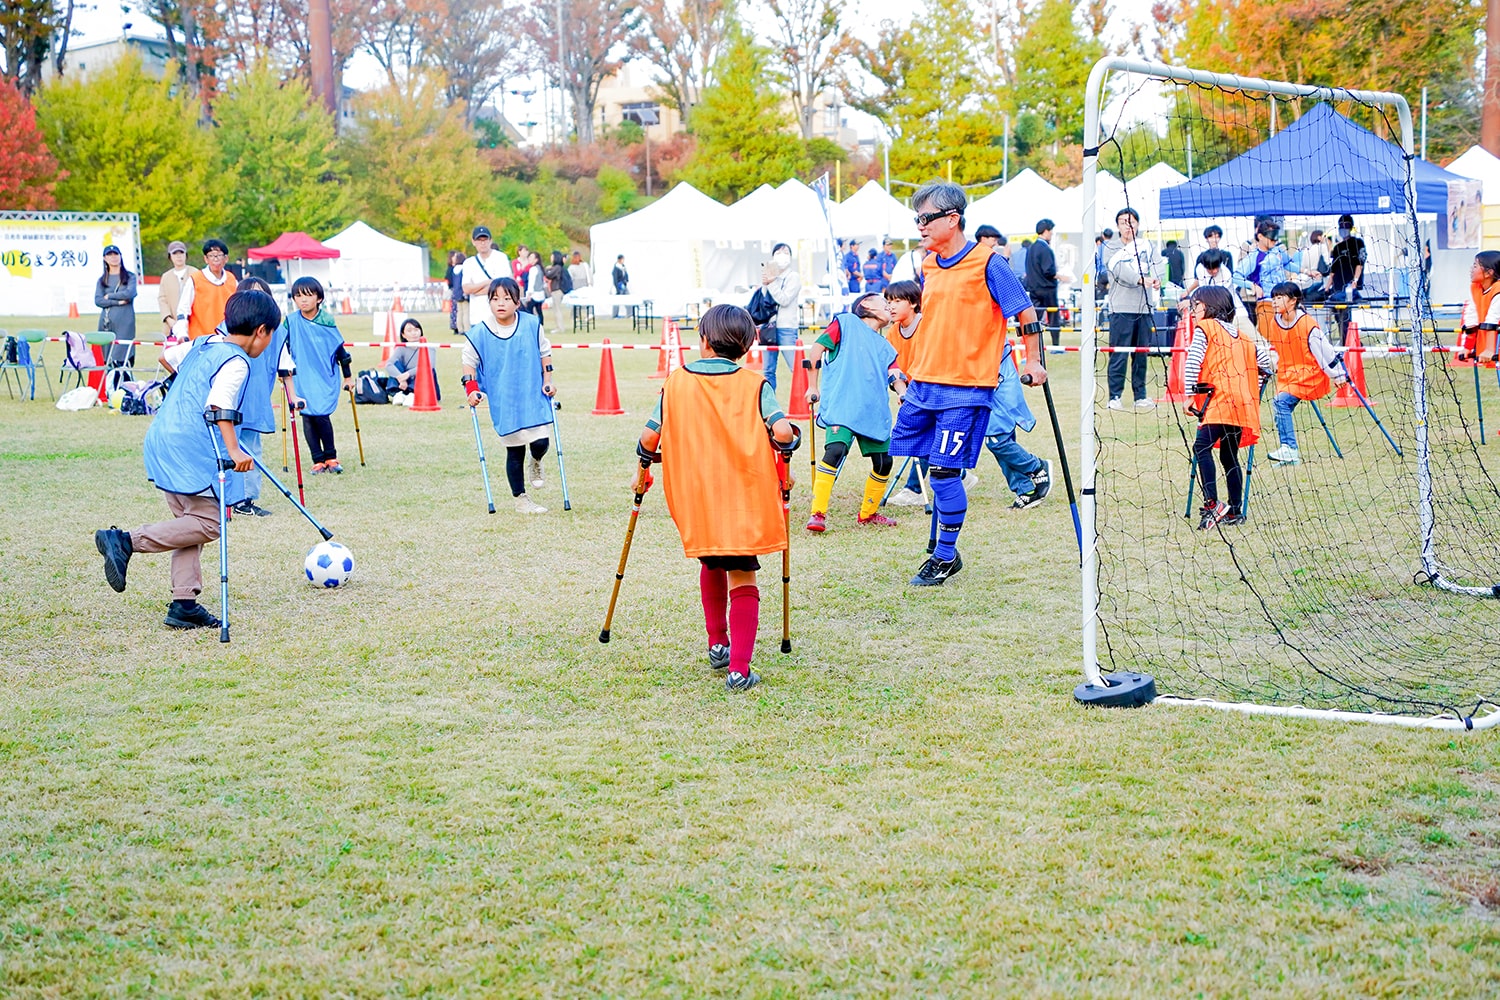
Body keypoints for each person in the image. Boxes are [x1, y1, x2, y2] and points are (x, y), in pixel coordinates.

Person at [94, 289, 281, 630]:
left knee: (189, 524)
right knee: (210, 523)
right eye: (271, 337)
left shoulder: (203, 343)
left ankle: (184, 603)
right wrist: (236, 451)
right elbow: (219, 405)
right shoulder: (236, 360)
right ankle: (124, 541)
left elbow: (168, 357)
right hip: (188, 447)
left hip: (161, 435)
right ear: (262, 331)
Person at [636, 303, 799, 692]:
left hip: (699, 499)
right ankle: (739, 669)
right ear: (745, 346)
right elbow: (781, 433)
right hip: (743, 498)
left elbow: (648, 439)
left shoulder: (675, 382)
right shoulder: (756, 384)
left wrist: (643, 465)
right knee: (742, 573)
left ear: (704, 341)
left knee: (711, 562)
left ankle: (716, 643)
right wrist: (788, 436)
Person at [892, 181, 1045, 586]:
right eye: (917, 219)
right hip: (925, 383)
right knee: (924, 463)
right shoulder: (926, 265)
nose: (919, 226)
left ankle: (945, 557)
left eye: (925, 218)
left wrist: (1033, 360)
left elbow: (1025, 312)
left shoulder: (989, 262)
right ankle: (936, 541)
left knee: (944, 472)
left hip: (966, 387)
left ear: (952, 218)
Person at [804, 292, 899, 532]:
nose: (889, 307)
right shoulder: (845, 323)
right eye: (884, 303)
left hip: (872, 410)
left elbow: (895, 373)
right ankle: (818, 513)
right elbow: (816, 350)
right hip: (843, 405)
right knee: (835, 451)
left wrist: (902, 391)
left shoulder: (885, 345)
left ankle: (868, 513)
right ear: (865, 305)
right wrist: (812, 386)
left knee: (884, 462)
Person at [1183, 285, 1276, 530]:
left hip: (1221, 400)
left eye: (1197, 306)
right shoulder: (1243, 336)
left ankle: (1212, 504)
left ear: (1210, 307)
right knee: (1228, 455)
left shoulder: (1206, 328)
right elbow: (1267, 364)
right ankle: (1235, 511)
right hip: (1242, 404)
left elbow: (1193, 359)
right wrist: (1254, 383)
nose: (1193, 311)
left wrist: (1190, 394)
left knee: (1201, 446)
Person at [462, 277, 556, 514]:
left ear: (517, 301)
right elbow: (468, 363)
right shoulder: (480, 332)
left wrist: (548, 381)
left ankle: (536, 462)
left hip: (532, 393)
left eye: (506, 298)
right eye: (495, 299)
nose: (500, 303)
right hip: (504, 398)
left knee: (541, 441)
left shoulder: (532, 324)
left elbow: (545, 353)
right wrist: (472, 389)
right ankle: (521, 499)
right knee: (515, 450)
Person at [215, 276, 293, 516]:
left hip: (256, 399)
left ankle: (246, 499)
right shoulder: (228, 327)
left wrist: (293, 396)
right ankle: (224, 498)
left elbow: (285, 364)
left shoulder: (275, 331)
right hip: (230, 398)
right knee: (226, 448)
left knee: (252, 450)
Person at [1263, 280, 1346, 466]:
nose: (1274, 302)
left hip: (1310, 375)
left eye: (1279, 298)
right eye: (1273, 298)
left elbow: (1325, 351)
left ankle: (1289, 448)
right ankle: (1289, 453)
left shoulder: (1307, 324)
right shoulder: (1274, 322)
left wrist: (1338, 374)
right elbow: (1276, 348)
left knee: (1280, 403)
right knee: (1280, 408)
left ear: (1293, 301)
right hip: (1287, 375)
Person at [283, 277, 352, 475]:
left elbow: (340, 351)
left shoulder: (327, 320)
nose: (303, 300)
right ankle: (317, 459)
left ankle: (331, 457)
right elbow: (284, 349)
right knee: (307, 416)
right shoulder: (290, 321)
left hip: (323, 375)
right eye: (298, 296)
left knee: (321, 415)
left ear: (319, 298)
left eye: (308, 295)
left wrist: (347, 377)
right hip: (301, 377)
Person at [983, 332, 1051, 509]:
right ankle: (1025, 490)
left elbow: (1026, 312)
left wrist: (1033, 360)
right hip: (975, 369)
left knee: (997, 438)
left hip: (994, 366)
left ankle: (1036, 466)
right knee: (998, 437)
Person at [1105, 207, 1161, 411]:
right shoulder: (1110, 247)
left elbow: (1158, 265)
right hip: (1121, 307)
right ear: (1118, 226)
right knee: (1119, 353)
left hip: (1145, 308)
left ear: (1138, 223)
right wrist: (1140, 279)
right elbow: (1119, 270)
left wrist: (1156, 279)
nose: (1128, 226)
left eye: (1132, 222)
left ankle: (1140, 395)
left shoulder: (1147, 245)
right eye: (1123, 222)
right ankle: (1115, 396)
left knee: (1141, 354)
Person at [882, 279, 927, 506]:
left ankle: (914, 489)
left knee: (923, 436)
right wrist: (902, 391)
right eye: (888, 301)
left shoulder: (927, 326)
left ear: (912, 303)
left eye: (897, 301)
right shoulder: (892, 333)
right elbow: (894, 367)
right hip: (910, 390)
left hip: (930, 387)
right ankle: (959, 475)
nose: (890, 306)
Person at [174, 239, 239, 342]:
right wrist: (182, 334)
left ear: (226, 258)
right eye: (211, 256)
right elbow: (183, 311)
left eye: (218, 255)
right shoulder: (195, 280)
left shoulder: (232, 280)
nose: (215, 259)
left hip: (227, 341)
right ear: (206, 259)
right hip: (201, 341)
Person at [759, 242, 803, 391]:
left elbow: (784, 300)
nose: (781, 256)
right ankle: (769, 404)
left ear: (790, 257)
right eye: (778, 253)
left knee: (795, 367)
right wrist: (766, 283)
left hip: (786, 328)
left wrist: (771, 283)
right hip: (768, 327)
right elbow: (764, 300)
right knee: (768, 370)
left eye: (785, 253)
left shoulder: (794, 277)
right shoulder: (771, 276)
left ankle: (805, 402)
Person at [1316, 214, 1366, 342]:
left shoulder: (1357, 243)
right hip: (1337, 286)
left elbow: (1359, 264)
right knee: (1338, 314)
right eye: (1341, 226)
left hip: (1349, 286)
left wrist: (1355, 281)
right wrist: (1327, 288)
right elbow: (1333, 270)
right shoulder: (1338, 247)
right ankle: (1347, 340)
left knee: (1345, 315)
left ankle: (1351, 341)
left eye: (1346, 226)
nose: (1343, 229)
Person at [95, 244, 138, 365]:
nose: (113, 257)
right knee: (106, 355)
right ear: (105, 258)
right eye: (109, 255)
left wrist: (109, 296)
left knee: (123, 353)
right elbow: (98, 300)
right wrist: (117, 302)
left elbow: (130, 293)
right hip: (106, 321)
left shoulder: (130, 277)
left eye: (116, 254)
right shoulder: (102, 280)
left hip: (125, 320)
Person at [1455, 250, 1500, 365]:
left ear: (1488, 273)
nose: (1471, 269)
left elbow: (1492, 319)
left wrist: (1490, 350)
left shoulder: (1498, 289)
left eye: (1475, 266)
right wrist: (1468, 347)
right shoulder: (1475, 288)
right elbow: (1472, 318)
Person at [461, 227, 510, 329]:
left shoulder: (501, 258)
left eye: (485, 240)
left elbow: (504, 285)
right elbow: (466, 288)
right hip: (477, 316)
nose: (482, 243)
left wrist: (477, 290)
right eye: (479, 240)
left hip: (499, 315)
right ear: (474, 242)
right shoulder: (469, 263)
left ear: (490, 241)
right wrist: (487, 282)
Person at [1233, 220, 1291, 304]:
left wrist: (1306, 271)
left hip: (1283, 300)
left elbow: (1287, 264)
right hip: (1266, 301)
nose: (1274, 240)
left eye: (1275, 236)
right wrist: (1252, 286)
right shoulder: (1254, 256)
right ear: (1260, 236)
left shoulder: (1278, 250)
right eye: (1271, 236)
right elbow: (1236, 277)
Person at [1024, 219, 1060, 346]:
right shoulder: (1045, 249)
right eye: (1051, 231)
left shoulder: (1031, 248)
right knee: (1054, 317)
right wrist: (1060, 276)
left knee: (1034, 319)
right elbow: (1048, 270)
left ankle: (1030, 345)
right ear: (1046, 231)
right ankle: (1056, 345)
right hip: (1047, 289)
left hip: (1034, 288)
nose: (1051, 234)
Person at [384, 318, 438, 404]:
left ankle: (413, 394)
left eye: (416, 330)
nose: (414, 333)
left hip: (421, 382)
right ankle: (398, 394)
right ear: (403, 335)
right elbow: (389, 364)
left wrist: (407, 374)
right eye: (409, 330)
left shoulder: (429, 348)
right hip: (404, 382)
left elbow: (429, 366)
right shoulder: (401, 348)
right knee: (396, 364)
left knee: (427, 370)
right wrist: (401, 378)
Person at [158, 241, 194, 341]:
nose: (179, 257)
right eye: (175, 253)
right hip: (172, 326)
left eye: (181, 253)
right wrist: (168, 319)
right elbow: (162, 299)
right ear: (170, 257)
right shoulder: (166, 277)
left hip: (192, 324)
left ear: (186, 255)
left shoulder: (195, 273)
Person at [1190, 225, 1235, 289]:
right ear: (1206, 239)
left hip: (1223, 290)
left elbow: (1230, 275)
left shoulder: (1227, 255)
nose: (1214, 240)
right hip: (1206, 291)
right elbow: (1197, 278)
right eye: (1211, 237)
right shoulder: (1201, 256)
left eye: (1217, 237)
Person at [544, 250, 570, 335]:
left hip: (557, 290)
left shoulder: (557, 268)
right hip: (557, 290)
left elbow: (549, 275)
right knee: (556, 309)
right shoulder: (559, 267)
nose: (551, 258)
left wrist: (546, 269)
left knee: (557, 309)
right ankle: (558, 326)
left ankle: (560, 327)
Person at [445, 251, 466, 334]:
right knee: (464, 311)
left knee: (457, 311)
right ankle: (465, 328)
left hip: (454, 291)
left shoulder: (452, 269)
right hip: (462, 291)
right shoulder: (463, 269)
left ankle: (457, 327)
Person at [611, 254, 630, 318]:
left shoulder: (623, 266)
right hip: (618, 286)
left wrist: (626, 280)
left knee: (628, 299)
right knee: (617, 301)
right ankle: (615, 315)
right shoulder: (616, 268)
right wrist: (617, 288)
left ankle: (629, 314)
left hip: (623, 285)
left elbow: (625, 274)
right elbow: (615, 279)